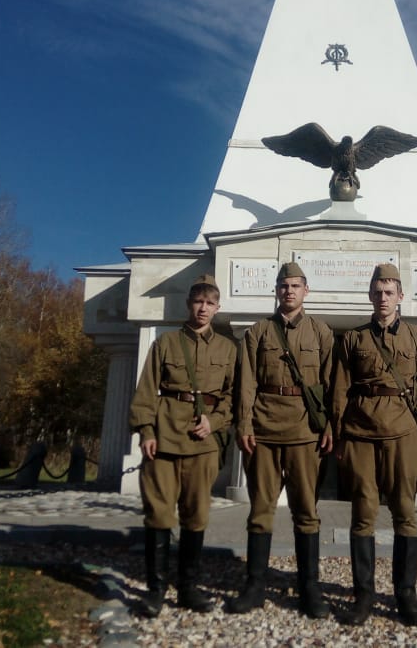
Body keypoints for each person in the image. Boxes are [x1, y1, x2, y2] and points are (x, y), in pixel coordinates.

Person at [331, 263, 417, 626]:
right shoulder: (353, 338)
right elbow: (340, 390)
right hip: (360, 432)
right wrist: (339, 434)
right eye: (377, 292)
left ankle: (406, 596)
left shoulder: (416, 337)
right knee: (362, 514)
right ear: (370, 296)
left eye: (389, 292)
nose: (383, 298)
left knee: (405, 513)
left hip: (404, 433)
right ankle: (363, 596)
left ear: (400, 296)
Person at [227, 262, 334, 619]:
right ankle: (254, 586)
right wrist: (244, 424)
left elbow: (331, 384)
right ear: (276, 290)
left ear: (306, 290)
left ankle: (310, 588)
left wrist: (329, 426)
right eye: (283, 285)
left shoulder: (321, 332)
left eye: (295, 285)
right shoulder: (258, 332)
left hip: (305, 433)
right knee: (261, 511)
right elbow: (246, 382)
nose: (289, 291)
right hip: (264, 431)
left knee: (307, 513)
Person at [127, 274, 236, 618]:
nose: (203, 308)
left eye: (210, 303)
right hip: (164, 439)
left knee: (196, 516)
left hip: (203, 443)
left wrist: (215, 422)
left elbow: (233, 397)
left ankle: (188, 588)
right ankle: (156, 590)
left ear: (218, 308)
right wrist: (146, 431)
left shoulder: (228, 349)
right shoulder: (167, 343)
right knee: (159, 514)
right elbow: (147, 389)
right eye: (198, 301)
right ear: (189, 304)